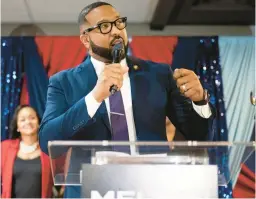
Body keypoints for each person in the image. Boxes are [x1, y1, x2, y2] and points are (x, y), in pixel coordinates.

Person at [39, 2, 215, 198]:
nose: (116, 31)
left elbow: (200, 134)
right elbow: (48, 141)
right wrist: (94, 97)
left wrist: (200, 101)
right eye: (105, 26)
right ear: (86, 39)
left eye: (119, 23)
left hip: (151, 187)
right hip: (91, 190)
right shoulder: (63, 82)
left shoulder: (158, 74)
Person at [1, 105, 53, 198]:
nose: (28, 122)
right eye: (22, 120)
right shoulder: (5, 148)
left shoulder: (48, 150)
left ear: (38, 123)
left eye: (32, 118)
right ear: (17, 126)